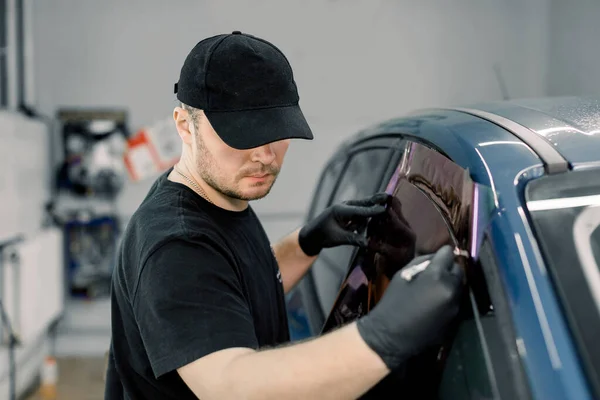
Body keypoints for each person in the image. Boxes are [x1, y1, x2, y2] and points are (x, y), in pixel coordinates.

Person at [104, 31, 465, 400]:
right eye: (243, 135)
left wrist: (307, 242)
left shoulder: (218, 197)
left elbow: (230, 289)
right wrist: (385, 333)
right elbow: (229, 384)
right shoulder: (176, 245)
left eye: (276, 131)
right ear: (184, 125)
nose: (265, 154)